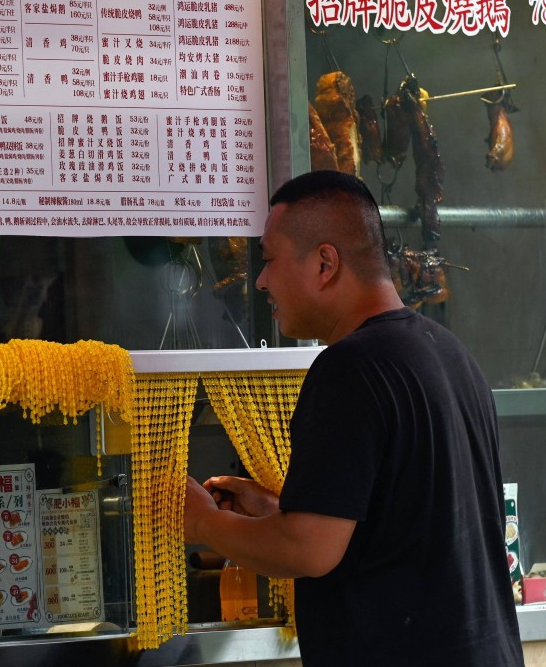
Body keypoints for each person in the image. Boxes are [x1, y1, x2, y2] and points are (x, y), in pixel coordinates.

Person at [183, 170, 524, 666]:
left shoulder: (349, 368)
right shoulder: (448, 352)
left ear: (325, 263)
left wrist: (202, 522)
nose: (260, 281)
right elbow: (399, 528)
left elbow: (308, 550)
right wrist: (275, 509)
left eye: (270, 260)